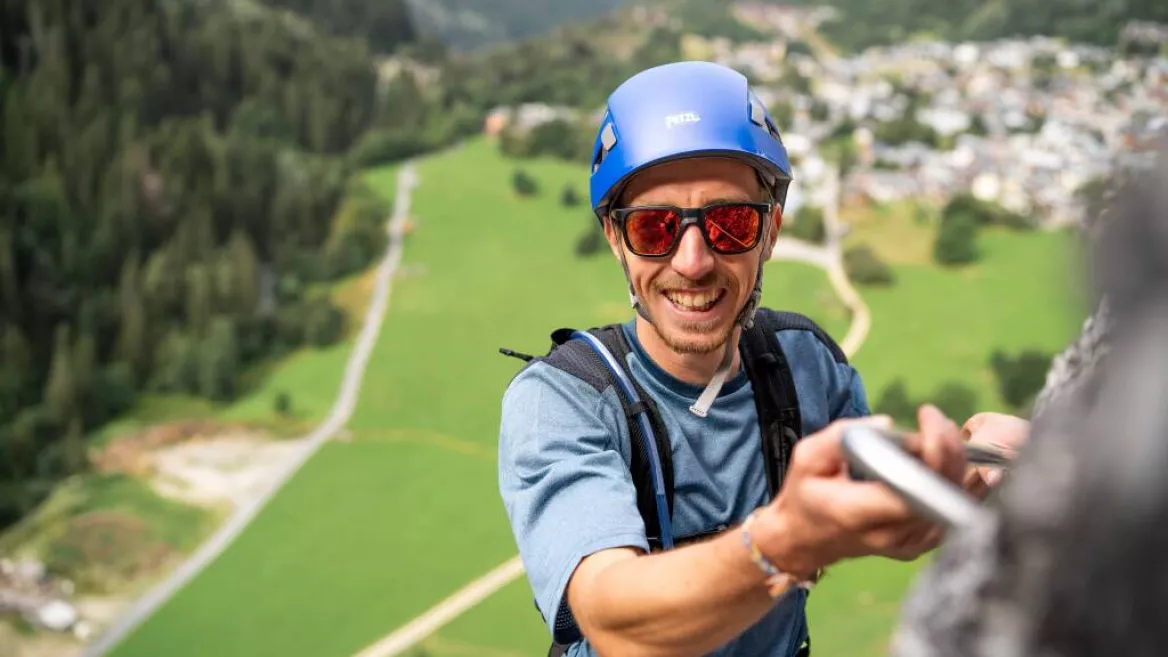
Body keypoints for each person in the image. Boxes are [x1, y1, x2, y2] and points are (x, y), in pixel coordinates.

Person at [497, 61, 1025, 657]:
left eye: (728, 222)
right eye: (654, 228)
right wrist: (783, 542)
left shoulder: (804, 362)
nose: (693, 261)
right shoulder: (562, 402)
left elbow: (884, 518)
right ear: (617, 240)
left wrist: (987, 464)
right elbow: (612, 619)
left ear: (770, 229)